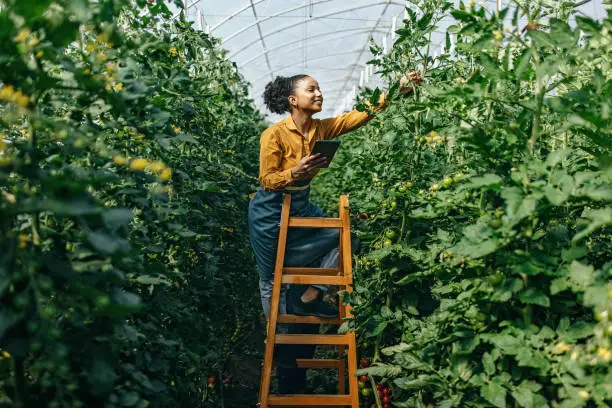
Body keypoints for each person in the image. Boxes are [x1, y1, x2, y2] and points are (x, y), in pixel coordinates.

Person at [248, 72, 420, 393]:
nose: (319, 93)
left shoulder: (320, 129)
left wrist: (394, 93)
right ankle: (285, 354)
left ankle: (310, 293)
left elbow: (358, 116)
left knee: (346, 233)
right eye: (311, 89)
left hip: (300, 205)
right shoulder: (274, 135)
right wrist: (293, 172)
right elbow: (266, 180)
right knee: (274, 279)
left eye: (319, 88)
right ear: (292, 100)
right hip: (271, 213)